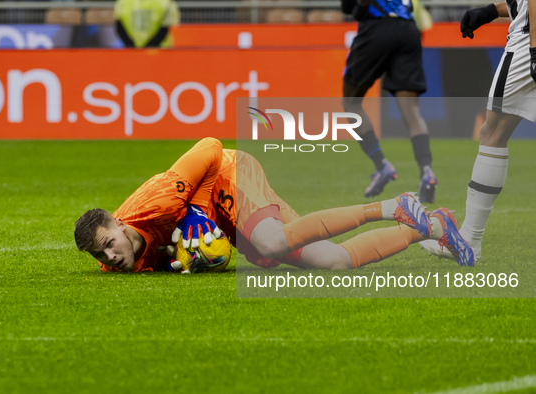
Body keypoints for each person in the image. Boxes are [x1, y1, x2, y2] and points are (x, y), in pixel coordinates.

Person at [74, 138, 474, 273]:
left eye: (110, 242)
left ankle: (393, 205)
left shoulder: (158, 199)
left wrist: (195, 210)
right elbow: (208, 250)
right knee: (332, 261)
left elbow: (210, 147)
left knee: (270, 242)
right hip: (221, 218)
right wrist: (206, 257)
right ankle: (433, 226)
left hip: (230, 175)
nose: (109, 256)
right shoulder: (113, 261)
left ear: (122, 224)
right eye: (101, 253)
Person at [420, 0, 536, 262]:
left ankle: (469, 241)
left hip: (526, 43)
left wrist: (535, 49)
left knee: (492, 135)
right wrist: (493, 11)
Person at [341, 0, 438, 203]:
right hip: (409, 30)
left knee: (351, 103)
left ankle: (381, 165)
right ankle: (426, 171)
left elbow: (352, 5)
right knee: (411, 111)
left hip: (378, 27)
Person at [114, 0, 180, 48]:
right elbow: (165, 27)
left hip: (158, 52)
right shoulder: (165, 2)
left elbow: (119, 27)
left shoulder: (122, 2)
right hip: (158, 51)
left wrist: (132, 46)